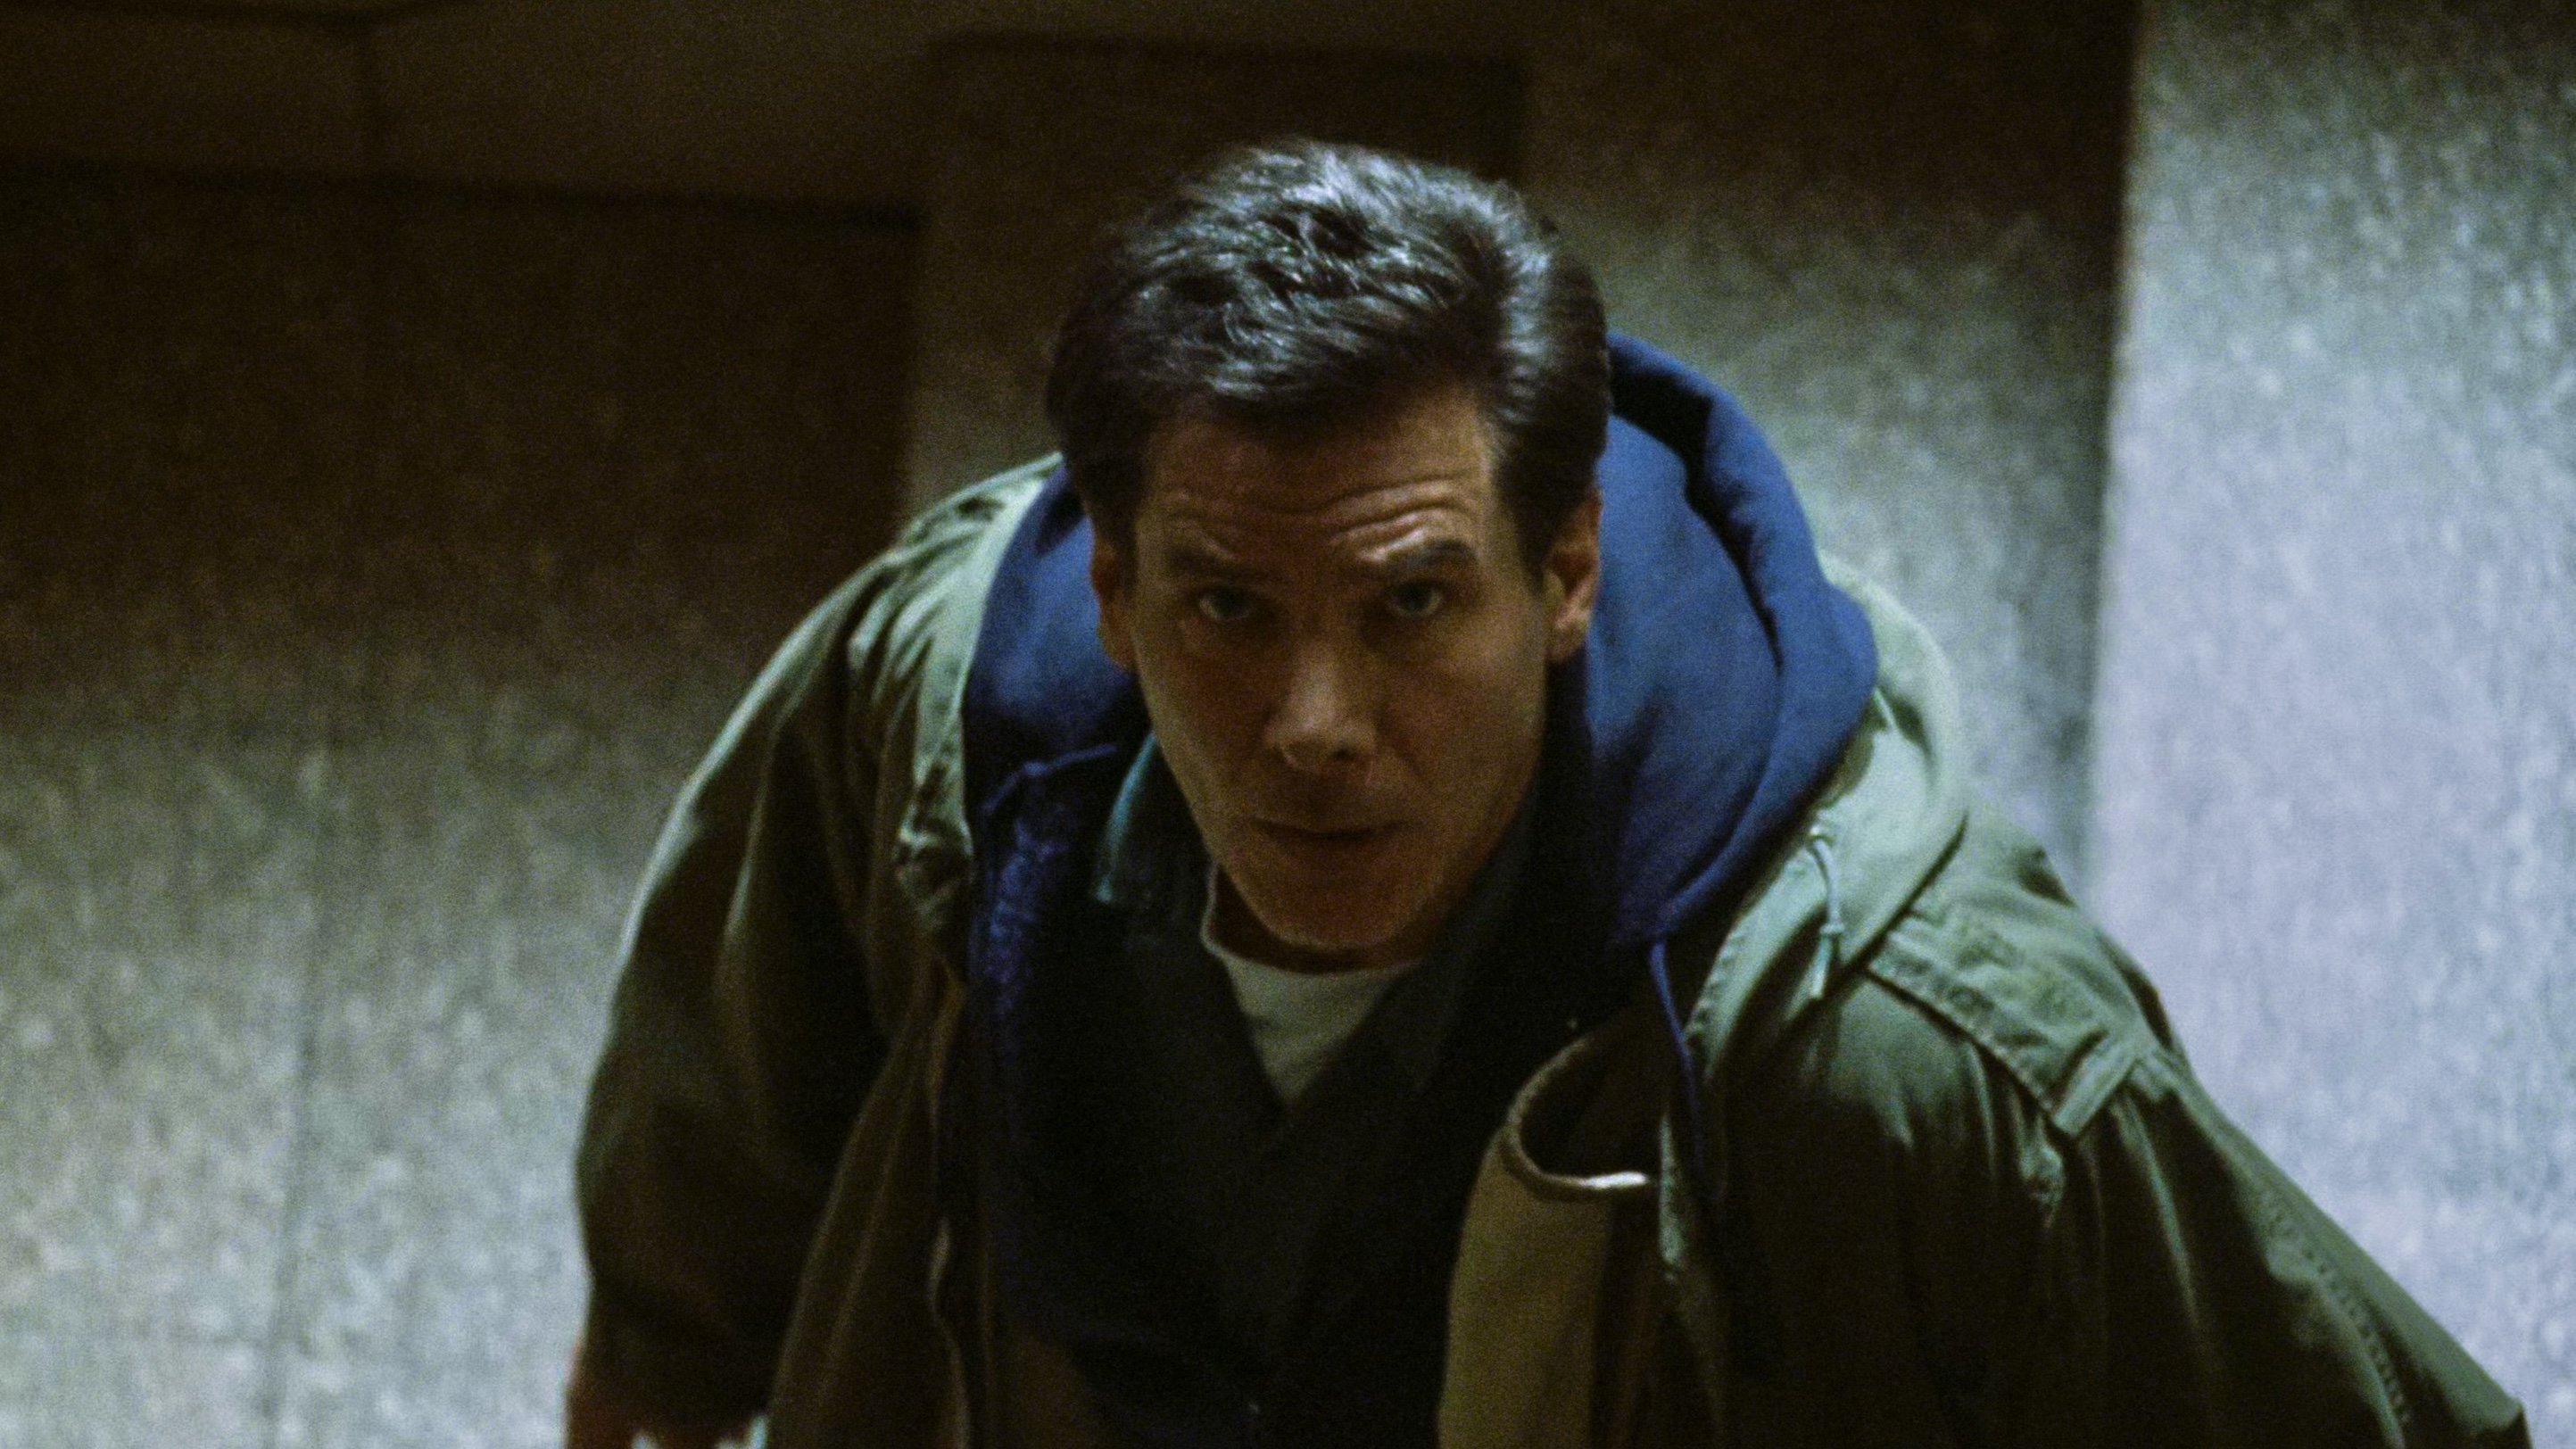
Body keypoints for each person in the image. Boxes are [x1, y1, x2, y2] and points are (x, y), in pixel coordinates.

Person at [562, 142, 2529, 1448]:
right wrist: (668, 1345)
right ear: (1112, 583)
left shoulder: (1931, 1061)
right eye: (1227, 607)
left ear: (1566, 570)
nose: (1315, 724)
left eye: (1412, 604)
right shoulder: (937, 705)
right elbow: (747, 1046)